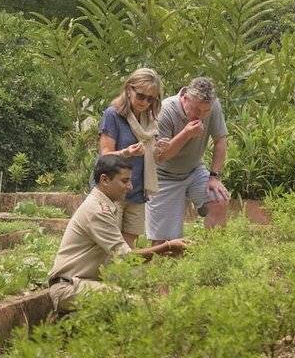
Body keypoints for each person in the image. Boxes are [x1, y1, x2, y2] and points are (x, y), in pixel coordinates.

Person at [48, 154, 187, 312]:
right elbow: (126, 257)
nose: (130, 187)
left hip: (82, 283)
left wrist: (156, 273)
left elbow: (123, 262)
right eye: (125, 181)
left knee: (154, 284)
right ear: (105, 180)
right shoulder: (97, 211)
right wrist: (167, 246)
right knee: (144, 305)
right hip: (69, 288)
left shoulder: (105, 206)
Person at [147, 76, 230, 244]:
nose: (201, 115)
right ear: (185, 98)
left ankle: (213, 257)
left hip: (194, 170)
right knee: (164, 242)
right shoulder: (165, 111)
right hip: (163, 176)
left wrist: (214, 176)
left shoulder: (212, 106)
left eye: (206, 111)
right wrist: (186, 134)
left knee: (219, 200)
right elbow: (160, 157)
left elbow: (221, 140)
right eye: (197, 110)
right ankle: (165, 268)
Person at [94, 68, 165, 248]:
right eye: (141, 96)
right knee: (109, 244)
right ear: (128, 89)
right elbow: (105, 157)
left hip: (137, 189)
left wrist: (160, 148)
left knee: (129, 244)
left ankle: (125, 276)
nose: (145, 102)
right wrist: (127, 153)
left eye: (151, 99)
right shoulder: (113, 115)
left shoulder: (150, 121)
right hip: (112, 190)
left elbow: (152, 157)